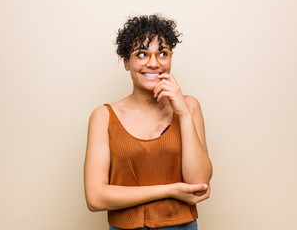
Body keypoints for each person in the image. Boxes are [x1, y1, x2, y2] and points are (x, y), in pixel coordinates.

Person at [84, 14, 213, 230]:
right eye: (142, 54)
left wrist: (182, 112)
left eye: (162, 53)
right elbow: (95, 198)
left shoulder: (189, 107)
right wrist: (170, 191)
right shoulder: (103, 117)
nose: (153, 63)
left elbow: (198, 184)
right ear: (126, 62)